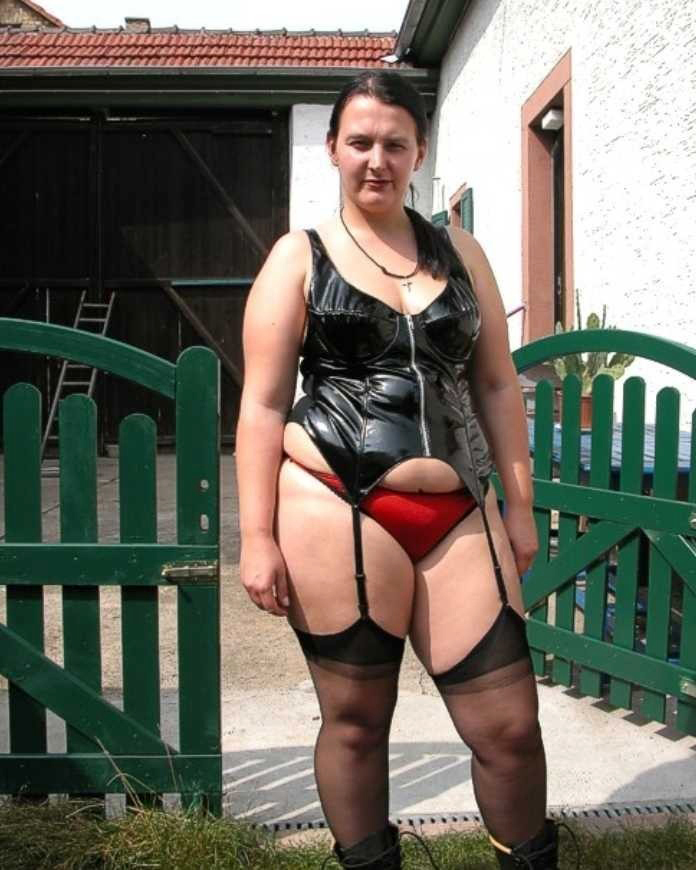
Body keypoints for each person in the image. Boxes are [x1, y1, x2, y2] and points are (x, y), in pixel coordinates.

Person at [236, 71, 561, 870]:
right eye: (360, 142)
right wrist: (256, 537)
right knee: (356, 724)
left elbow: (495, 384)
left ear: (419, 152)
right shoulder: (298, 257)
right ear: (332, 149)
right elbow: (264, 405)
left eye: (394, 143)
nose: (376, 159)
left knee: (510, 727)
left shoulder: (462, 253)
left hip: (459, 506)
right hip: (334, 503)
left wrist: (520, 509)